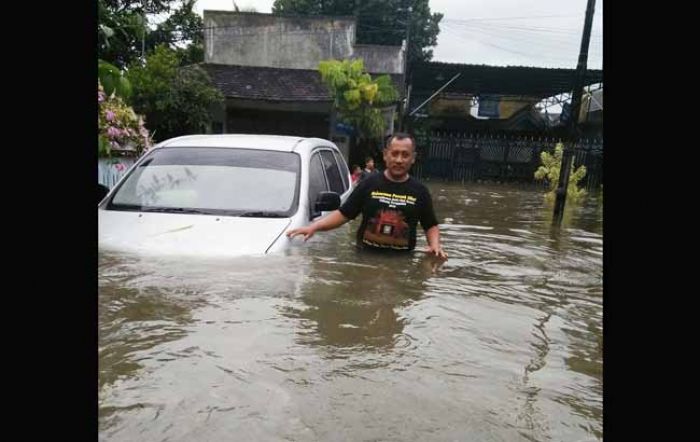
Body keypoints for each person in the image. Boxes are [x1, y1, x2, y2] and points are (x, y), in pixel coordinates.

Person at [287, 132, 447, 259]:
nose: (399, 160)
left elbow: (430, 224)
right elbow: (345, 214)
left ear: (413, 158)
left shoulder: (420, 191)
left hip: (402, 262)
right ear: (385, 155)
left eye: (405, 155)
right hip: (365, 258)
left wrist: (435, 245)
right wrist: (314, 227)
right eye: (395, 154)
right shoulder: (369, 183)